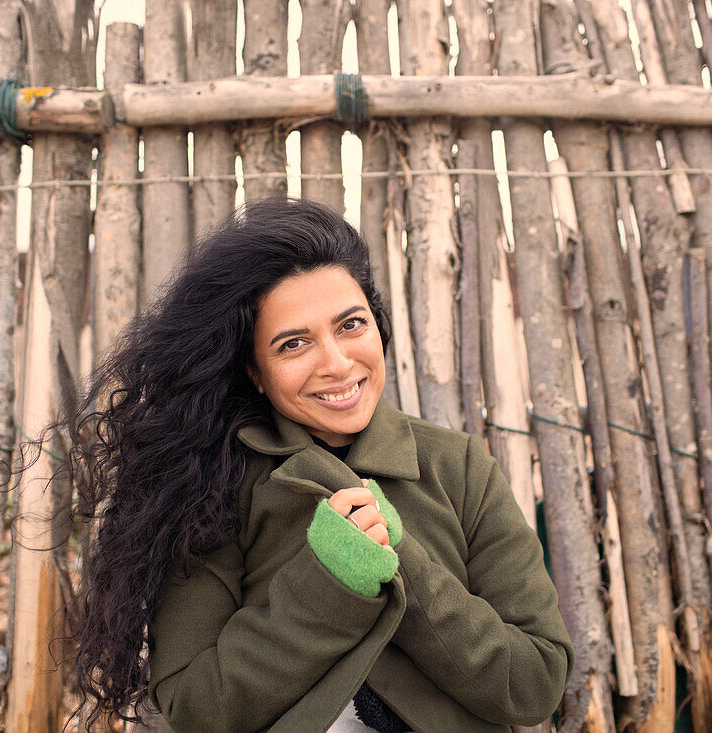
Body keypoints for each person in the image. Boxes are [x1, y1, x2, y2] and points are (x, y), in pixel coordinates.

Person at [67, 197, 572, 732]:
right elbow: (197, 710)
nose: (336, 363)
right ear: (255, 373)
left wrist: (402, 563)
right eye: (293, 344)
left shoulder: (458, 467)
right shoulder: (208, 485)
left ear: (378, 326)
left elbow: (536, 682)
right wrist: (330, 583)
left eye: (351, 325)